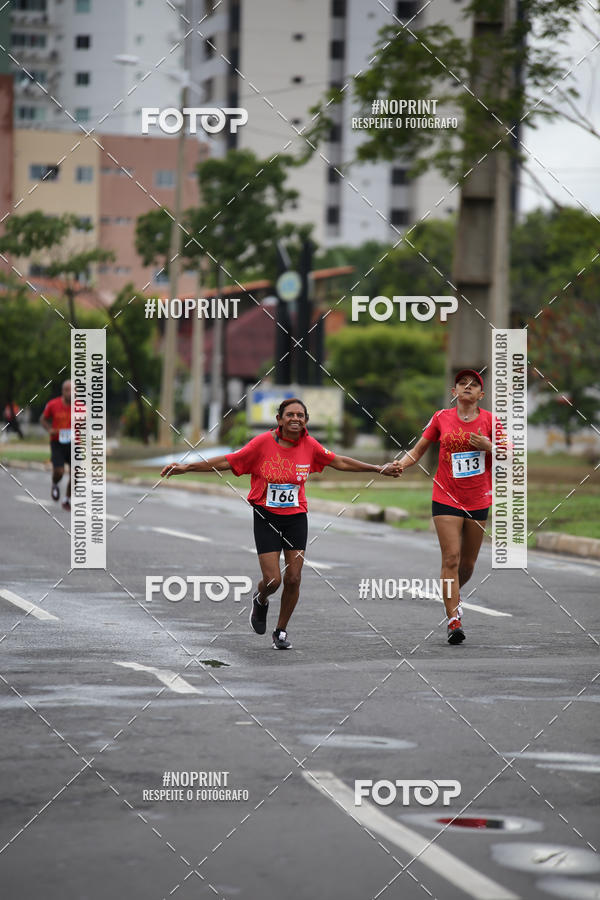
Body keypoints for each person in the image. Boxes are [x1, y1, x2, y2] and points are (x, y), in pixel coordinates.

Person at [161, 398, 401, 649]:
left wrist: (378, 469)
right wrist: (187, 467)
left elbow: (339, 461)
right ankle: (261, 599)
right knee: (273, 580)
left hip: (296, 517)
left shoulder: (310, 445)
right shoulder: (262, 443)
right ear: (279, 419)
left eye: (300, 415)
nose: (295, 419)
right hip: (266, 516)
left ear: (306, 420)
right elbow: (228, 461)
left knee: (294, 578)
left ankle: (281, 631)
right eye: (290, 415)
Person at [397, 370, 498, 645]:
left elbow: (511, 453)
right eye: (462, 383)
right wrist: (400, 465)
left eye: (474, 384)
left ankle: (451, 592)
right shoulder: (441, 417)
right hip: (445, 496)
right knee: (451, 558)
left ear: (481, 394)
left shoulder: (491, 421)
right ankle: (454, 619)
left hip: (478, 498)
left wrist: (489, 445)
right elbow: (418, 450)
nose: (467, 387)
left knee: (467, 564)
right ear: (454, 392)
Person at [40, 380, 72, 511]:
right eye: (68, 390)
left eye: (73, 390)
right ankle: (55, 483)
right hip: (57, 442)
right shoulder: (53, 404)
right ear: (63, 391)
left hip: (74, 444)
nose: (71, 393)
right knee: (59, 471)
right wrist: (49, 429)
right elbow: (42, 419)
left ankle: (67, 499)